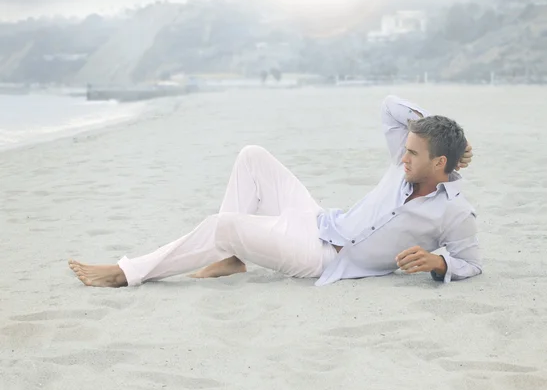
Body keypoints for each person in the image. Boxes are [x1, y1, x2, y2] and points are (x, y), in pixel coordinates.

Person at [69, 95, 481, 288]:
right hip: (321, 220)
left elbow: (471, 262)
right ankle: (231, 260)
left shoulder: (455, 213)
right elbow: (390, 106)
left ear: (439, 165)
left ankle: (129, 272)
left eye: (414, 154)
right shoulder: (408, 159)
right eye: (405, 149)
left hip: (323, 258)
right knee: (252, 156)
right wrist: (434, 132)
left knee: (224, 224)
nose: (403, 159)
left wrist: (439, 263)